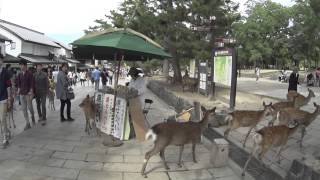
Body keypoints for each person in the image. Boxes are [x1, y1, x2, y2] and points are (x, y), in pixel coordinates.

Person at [17, 59, 35, 130]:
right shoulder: (19, 74)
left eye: (22, 65)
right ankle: (27, 123)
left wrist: (31, 92)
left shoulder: (30, 74)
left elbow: (32, 84)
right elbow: (19, 84)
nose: (21, 67)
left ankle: (32, 115)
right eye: (20, 65)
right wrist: (18, 91)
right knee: (24, 109)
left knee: (30, 108)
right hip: (21, 94)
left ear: (25, 65)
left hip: (28, 94)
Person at [0, 54, 12, 148]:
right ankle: (7, 131)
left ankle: (4, 138)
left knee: (2, 118)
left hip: (3, 98)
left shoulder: (5, 72)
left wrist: (9, 99)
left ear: (2, 61)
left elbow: (8, 86)